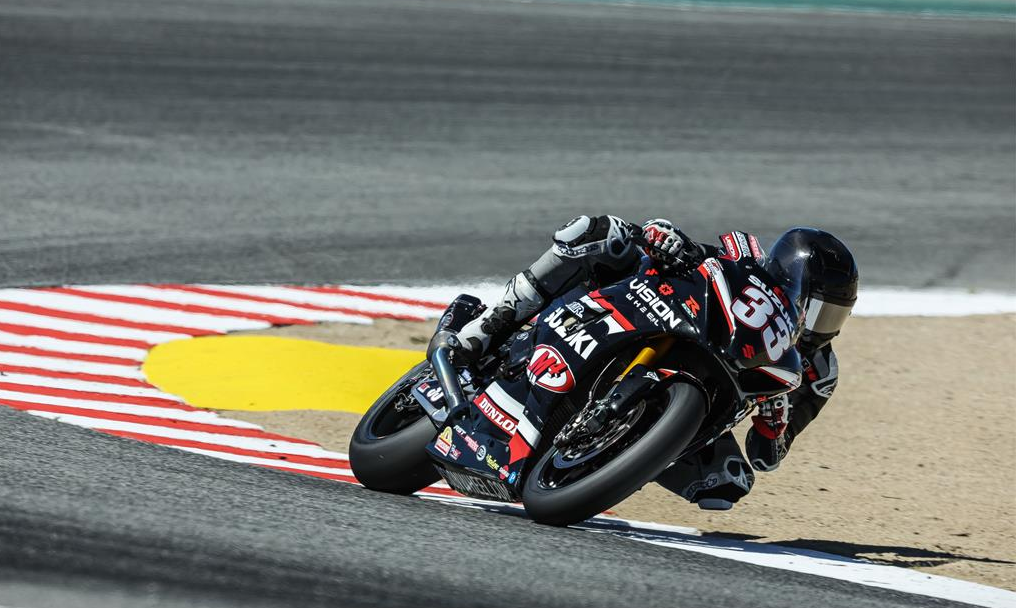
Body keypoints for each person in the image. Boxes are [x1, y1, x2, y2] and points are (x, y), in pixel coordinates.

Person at [453, 215, 858, 510]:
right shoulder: (747, 263)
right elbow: (702, 258)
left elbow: (766, 456)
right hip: (667, 322)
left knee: (727, 482)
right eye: (818, 310)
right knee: (597, 233)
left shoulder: (818, 372)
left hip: (707, 410)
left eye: (834, 316)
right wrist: (665, 237)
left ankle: (607, 459)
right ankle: (490, 325)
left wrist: (776, 421)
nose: (822, 328)